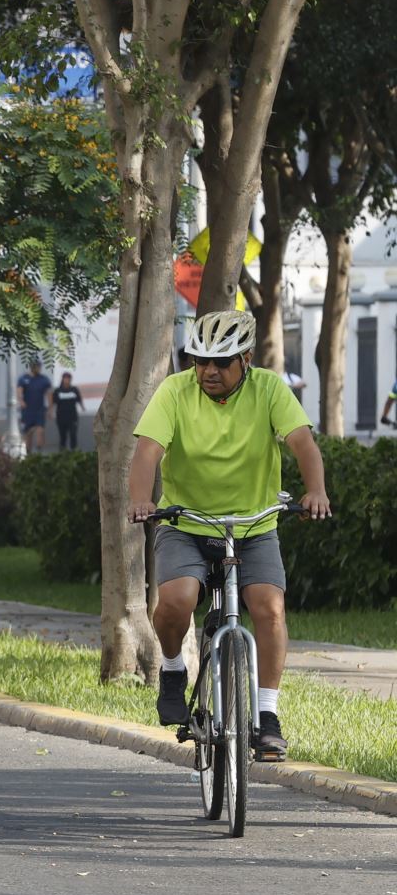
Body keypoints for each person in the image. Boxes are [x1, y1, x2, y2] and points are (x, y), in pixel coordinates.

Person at [127, 309, 331, 762]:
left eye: (220, 362)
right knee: (177, 601)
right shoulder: (175, 392)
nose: (208, 371)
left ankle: (267, 717)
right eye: (199, 361)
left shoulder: (270, 390)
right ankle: (174, 668)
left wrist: (314, 490)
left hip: (254, 526)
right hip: (187, 524)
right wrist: (142, 499)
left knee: (269, 609)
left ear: (246, 358)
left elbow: (302, 442)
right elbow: (146, 452)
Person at [16, 360, 51, 454]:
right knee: (28, 433)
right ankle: (28, 453)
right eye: (36, 367)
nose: (38, 369)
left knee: (40, 430)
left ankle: (40, 451)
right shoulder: (23, 379)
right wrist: (21, 401)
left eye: (39, 367)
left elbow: (49, 394)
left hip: (39, 409)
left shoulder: (44, 379)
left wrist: (50, 409)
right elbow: (19, 391)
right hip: (27, 410)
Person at [53, 372, 86, 452]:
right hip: (61, 417)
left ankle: (74, 451)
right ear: (63, 379)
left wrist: (82, 407)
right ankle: (62, 452)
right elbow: (53, 402)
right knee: (63, 436)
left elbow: (79, 399)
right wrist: (51, 412)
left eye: (68, 378)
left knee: (73, 434)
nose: (67, 380)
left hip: (72, 417)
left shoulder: (74, 389)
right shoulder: (58, 390)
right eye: (65, 378)